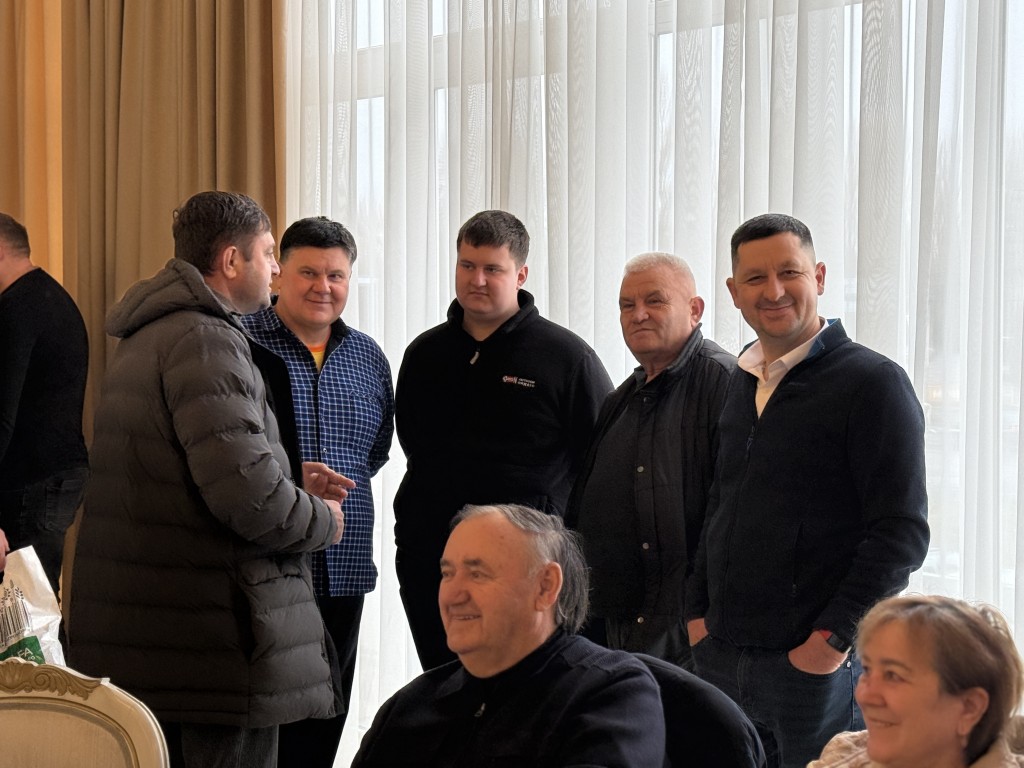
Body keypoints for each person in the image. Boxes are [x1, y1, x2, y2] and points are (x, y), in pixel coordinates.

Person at [68, 191, 348, 768]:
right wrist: (325, 519)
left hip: (163, 633)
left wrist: (283, 472)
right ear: (230, 261)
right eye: (268, 254)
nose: (275, 270)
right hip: (209, 642)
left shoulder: (154, 332)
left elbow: (177, 472)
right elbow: (252, 501)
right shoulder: (205, 339)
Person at [685, 213, 930, 768]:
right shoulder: (741, 381)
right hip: (720, 655)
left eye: (789, 272)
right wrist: (697, 615)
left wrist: (830, 643)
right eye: (755, 278)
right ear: (734, 292)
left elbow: (901, 534)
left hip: (814, 672)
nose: (773, 291)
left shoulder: (873, 383)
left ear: (818, 276)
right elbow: (720, 505)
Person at [394, 210, 613, 669]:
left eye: (492, 268)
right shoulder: (424, 354)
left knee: (525, 694)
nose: (477, 280)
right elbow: (414, 443)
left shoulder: (567, 357)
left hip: (525, 566)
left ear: (521, 275)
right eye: (467, 265)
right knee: (446, 687)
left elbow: (600, 462)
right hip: (431, 557)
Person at [241, 216, 395, 768]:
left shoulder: (369, 357)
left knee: (328, 714)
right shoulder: (240, 342)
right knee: (266, 724)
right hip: (266, 565)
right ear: (278, 273)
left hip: (343, 565)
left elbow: (375, 452)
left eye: (336, 275)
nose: (322, 287)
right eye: (308, 272)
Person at [351, 503, 666, 767]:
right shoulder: (411, 704)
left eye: (477, 574)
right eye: (448, 574)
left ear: (545, 586)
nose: (452, 595)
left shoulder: (612, 693)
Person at [566, 252, 735, 668]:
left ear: (695, 310)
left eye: (654, 301)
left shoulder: (727, 383)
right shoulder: (621, 399)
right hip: (620, 626)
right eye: (627, 305)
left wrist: (703, 618)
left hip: (691, 633)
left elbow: (736, 513)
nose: (637, 314)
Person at [810, 594, 1024, 768]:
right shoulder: (841, 754)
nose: (865, 696)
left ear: (969, 707)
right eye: (867, 670)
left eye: (893, 675)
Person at [0, 212, 89, 599]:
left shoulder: (17, 309)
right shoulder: (48, 297)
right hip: (54, 477)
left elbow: (2, 417)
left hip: (31, 484)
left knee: (25, 612)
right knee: (36, 606)